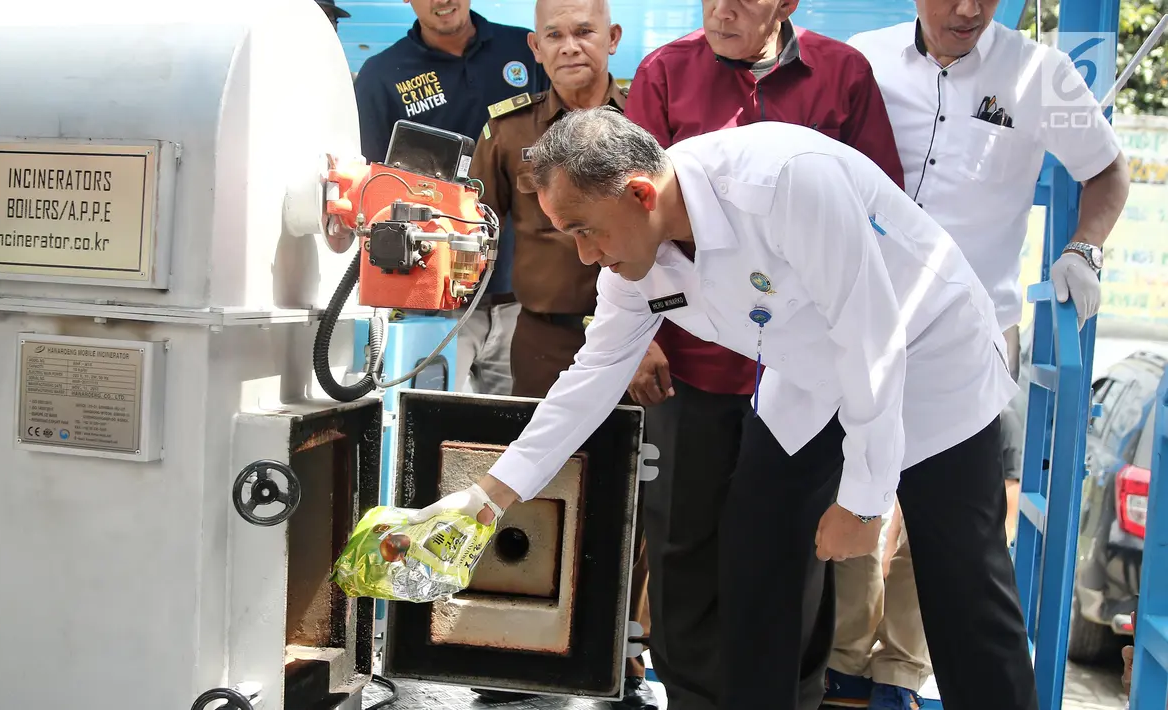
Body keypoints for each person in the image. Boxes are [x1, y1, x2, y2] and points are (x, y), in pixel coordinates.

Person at [415, 107, 1038, 710]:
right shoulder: (632, 264)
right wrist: (487, 496)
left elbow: (872, 341)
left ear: (640, 194)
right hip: (811, 378)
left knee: (961, 580)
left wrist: (865, 501)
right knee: (755, 546)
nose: (584, 255)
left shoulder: (787, 181)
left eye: (584, 229)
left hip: (928, 358)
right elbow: (593, 376)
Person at [828, 1, 1131, 705]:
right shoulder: (859, 61)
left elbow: (1106, 172)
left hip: (963, 345)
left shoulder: (1038, 75)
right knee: (826, 512)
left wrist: (1082, 248)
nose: (966, 9)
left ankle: (922, 679)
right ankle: (833, 672)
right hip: (848, 330)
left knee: (961, 557)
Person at [621, 1, 904, 706]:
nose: (722, 10)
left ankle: (792, 693)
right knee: (682, 540)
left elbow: (880, 208)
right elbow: (630, 209)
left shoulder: (842, 75)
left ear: (785, 4)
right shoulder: (664, 73)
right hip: (694, 361)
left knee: (794, 545)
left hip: (807, 373)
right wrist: (645, 339)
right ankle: (688, 694)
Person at [465, 1, 655, 705]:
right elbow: (472, 225)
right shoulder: (508, 129)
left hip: (642, 345)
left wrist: (654, 339)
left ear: (611, 39)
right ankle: (520, 657)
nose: (570, 47)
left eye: (584, 32)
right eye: (555, 35)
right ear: (534, 48)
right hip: (544, 338)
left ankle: (621, 662)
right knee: (534, 486)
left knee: (634, 496)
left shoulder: (647, 119)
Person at [352, 0, 550, 396]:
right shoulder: (381, 76)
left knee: (516, 434)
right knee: (425, 429)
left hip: (524, 300)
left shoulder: (527, 52)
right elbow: (370, 187)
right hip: (430, 300)